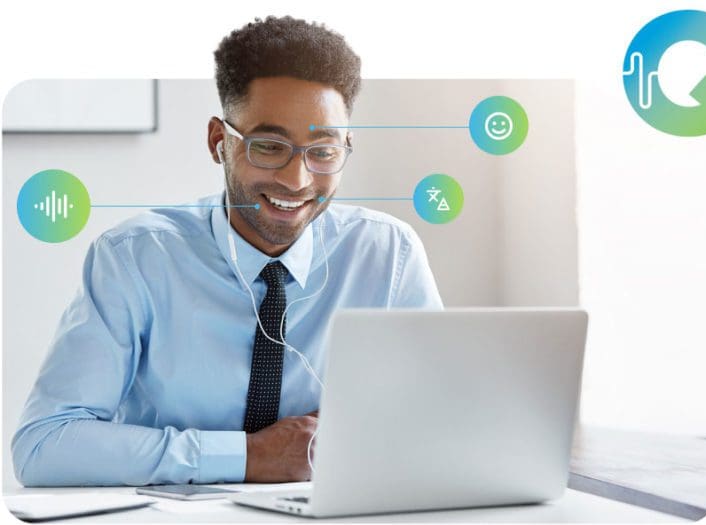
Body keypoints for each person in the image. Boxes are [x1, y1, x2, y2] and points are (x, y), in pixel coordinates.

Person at [12, 16, 442, 487]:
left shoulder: (388, 255)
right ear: (220, 142)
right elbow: (43, 447)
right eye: (270, 147)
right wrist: (248, 457)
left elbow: (441, 419)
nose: (297, 181)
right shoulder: (135, 258)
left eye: (322, 151)